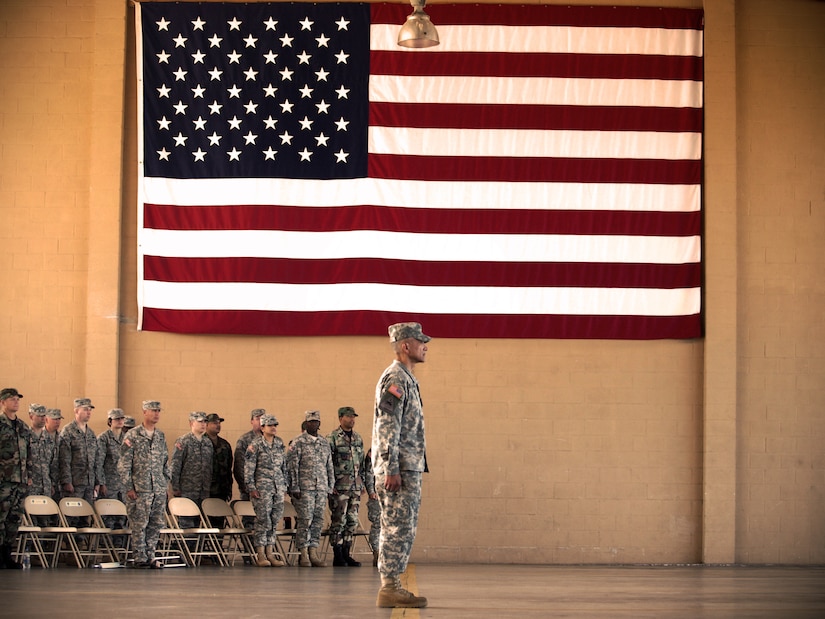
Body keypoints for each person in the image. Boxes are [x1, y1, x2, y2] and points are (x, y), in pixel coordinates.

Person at [372, 322, 431, 608]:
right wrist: (391, 467)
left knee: (401, 527)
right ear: (405, 345)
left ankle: (392, 586)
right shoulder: (395, 378)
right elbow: (387, 425)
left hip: (406, 467)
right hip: (399, 469)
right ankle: (390, 588)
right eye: (420, 342)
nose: (425, 347)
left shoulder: (406, 378)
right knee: (397, 527)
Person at [118, 400, 170, 569]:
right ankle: (140, 556)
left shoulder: (160, 435)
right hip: (140, 489)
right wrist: (128, 488)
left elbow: (165, 462)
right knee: (139, 524)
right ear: (144, 412)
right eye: (153, 410)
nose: (156, 414)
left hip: (158, 489)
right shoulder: (132, 435)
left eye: (158, 410)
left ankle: (151, 555)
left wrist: (164, 483)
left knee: (156, 523)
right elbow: (123, 464)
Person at [287, 409, 334, 567]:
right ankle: (304, 553)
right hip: (304, 488)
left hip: (321, 488)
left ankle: (314, 551)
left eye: (316, 421)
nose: (313, 424)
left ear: (319, 424)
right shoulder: (298, 442)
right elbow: (292, 466)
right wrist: (294, 486)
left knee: (318, 520)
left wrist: (329, 486)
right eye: (310, 421)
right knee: (305, 520)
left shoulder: (324, 442)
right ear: (306, 423)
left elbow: (329, 466)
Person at [244, 414, 287, 568]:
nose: (273, 427)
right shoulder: (255, 445)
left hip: (278, 488)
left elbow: (284, 467)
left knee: (274, 521)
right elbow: (249, 469)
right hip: (262, 489)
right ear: (262, 428)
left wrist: (284, 486)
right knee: (264, 521)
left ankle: (270, 552)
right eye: (270, 425)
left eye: (275, 424)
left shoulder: (279, 443)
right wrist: (251, 487)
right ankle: (261, 554)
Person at [327, 405, 367, 567]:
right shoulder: (332, 438)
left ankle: (346, 552)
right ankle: (337, 554)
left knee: (352, 520)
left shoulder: (357, 438)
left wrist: (362, 481)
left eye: (354, 417)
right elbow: (327, 463)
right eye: (349, 416)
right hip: (340, 487)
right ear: (340, 418)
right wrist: (331, 484)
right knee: (339, 520)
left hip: (355, 487)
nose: (352, 420)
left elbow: (362, 462)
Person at [0, 387, 30, 569]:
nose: (16, 402)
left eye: (17, 399)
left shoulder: (22, 426)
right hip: (3, 480)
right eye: (12, 399)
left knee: (14, 519)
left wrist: (29, 475)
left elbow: (30, 453)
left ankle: (7, 555)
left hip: (20, 481)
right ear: (3, 402)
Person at [58, 398, 99, 526]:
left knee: (85, 518)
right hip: (74, 483)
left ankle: (82, 544)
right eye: (85, 409)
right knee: (72, 517)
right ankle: (70, 545)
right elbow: (64, 459)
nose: (89, 412)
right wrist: (67, 481)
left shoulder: (91, 433)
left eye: (90, 410)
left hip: (89, 483)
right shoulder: (68, 431)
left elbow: (95, 460)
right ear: (76, 411)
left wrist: (97, 482)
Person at [170, 411, 212, 528]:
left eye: (205, 421)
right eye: (200, 422)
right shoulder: (183, 441)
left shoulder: (207, 443)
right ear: (191, 423)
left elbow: (210, 467)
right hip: (187, 490)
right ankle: (186, 546)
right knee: (186, 522)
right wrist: (175, 487)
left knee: (200, 523)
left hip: (203, 490)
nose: (203, 424)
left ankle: (197, 546)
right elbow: (176, 465)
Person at [96, 408, 127, 537]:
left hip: (124, 485)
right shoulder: (104, 438)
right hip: (109, 484)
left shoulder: (127, 439)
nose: (120, 421)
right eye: (117, 419)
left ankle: (120, 548)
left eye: (121, 419)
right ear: (110, 421)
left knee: (122, 519)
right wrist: (101, 483)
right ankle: (107, 549)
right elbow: (99, 462)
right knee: (109, 519)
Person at [204, 413, 232, 527]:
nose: (218, 425)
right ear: (206, 424)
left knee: (218, 522)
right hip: (205, 489)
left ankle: (218, 544)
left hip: (221, 490)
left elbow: (229, 468)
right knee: (204, 522)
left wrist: (229, 488)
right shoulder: (201, 442)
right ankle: (201, 545)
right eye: (214, 423)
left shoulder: (225, 444)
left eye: (219, 423)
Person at [27, 404, 58, 499]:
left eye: (44, 416)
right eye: (39, 416)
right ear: (31, 416)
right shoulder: (24, 437)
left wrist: (52, 483)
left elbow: (53, 464)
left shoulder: (49, 439)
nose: (42, 418)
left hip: (46, 486)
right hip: (30, 486)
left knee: (46, 512)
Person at [233, 408, 265, 501]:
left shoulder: (270, 439)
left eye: (263, 419)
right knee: (248, 514)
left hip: (267, 489)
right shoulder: (245, 439)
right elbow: (239, 466)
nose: (260, 421)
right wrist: (246, 487)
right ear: (252, 421)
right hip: (250, 490)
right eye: (257, 418)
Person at [364, 448, 380, 567]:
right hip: (377, 495)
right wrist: (371, 491)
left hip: (390, 494)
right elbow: (369, 472)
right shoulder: (374, 450)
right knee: (377, 524)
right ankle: (377, 552)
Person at [44, 409, 63, 502]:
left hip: (59, 482)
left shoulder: (62, 438)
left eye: (59, 419)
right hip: (44, 482)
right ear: (46, 419)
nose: (57, 422)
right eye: (54, 419)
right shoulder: (40, 437)